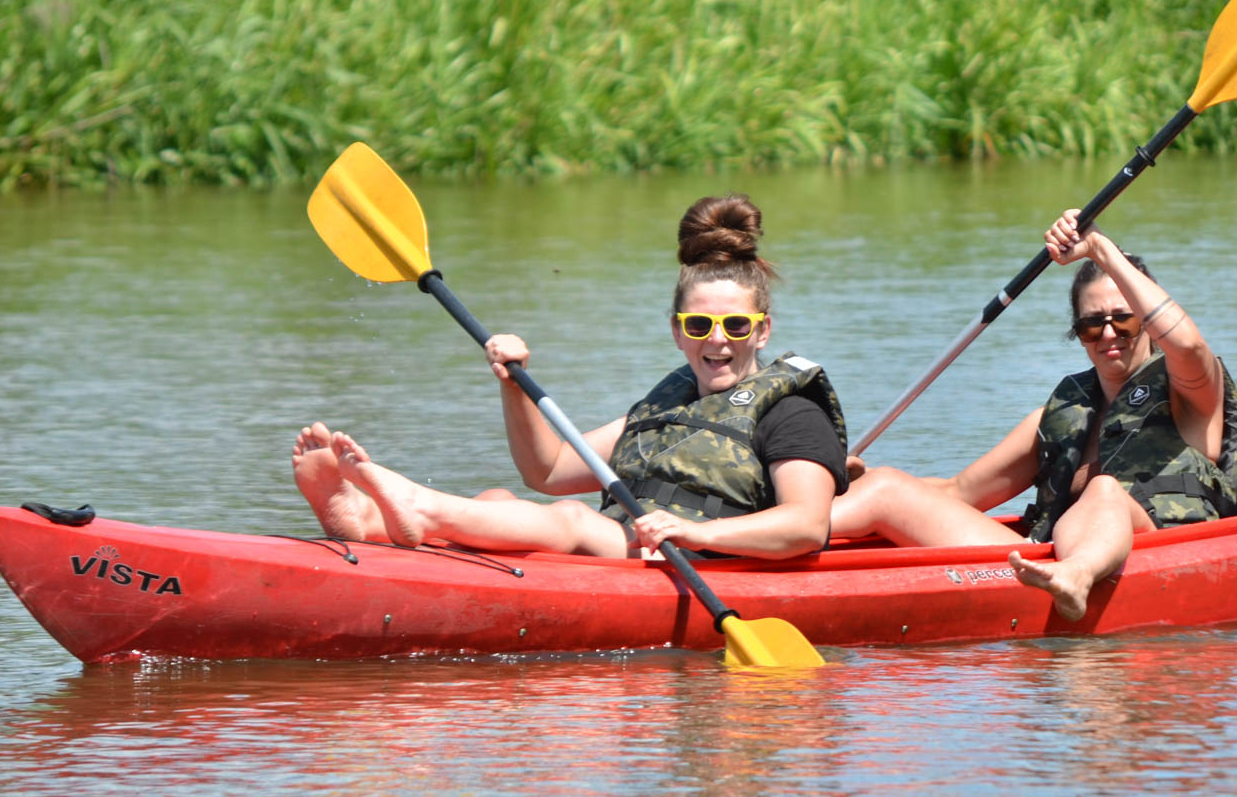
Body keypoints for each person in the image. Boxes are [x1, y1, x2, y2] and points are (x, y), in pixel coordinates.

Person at [290, 195, 850, 560]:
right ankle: (367, 521)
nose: (717, 339)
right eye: (700, 323)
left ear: (763, 329)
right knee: (500, 499)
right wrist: (514, 386)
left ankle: (419, 507)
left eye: (736, 324)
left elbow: (804, 527)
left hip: (707, 560)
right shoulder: (663, 409)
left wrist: (693, 531)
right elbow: (550, 470)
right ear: (677, 331)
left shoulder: (791, 414)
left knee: (572, 521)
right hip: (644, 550)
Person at [828, 208, 1237, 621]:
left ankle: (1078, 576)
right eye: (1091, 324)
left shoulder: (1190, 391)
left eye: (1124, 319)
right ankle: (780, 529)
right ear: (1078, 333)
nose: (1108, 334)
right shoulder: (1061, 415)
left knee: (1104, 489)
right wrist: (850, 484)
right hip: (1043, 565)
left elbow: (1188, 346)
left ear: (1148, 321)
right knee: (886, 486)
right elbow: (958, 493)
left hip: (1161, 559)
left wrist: (1100, 250)